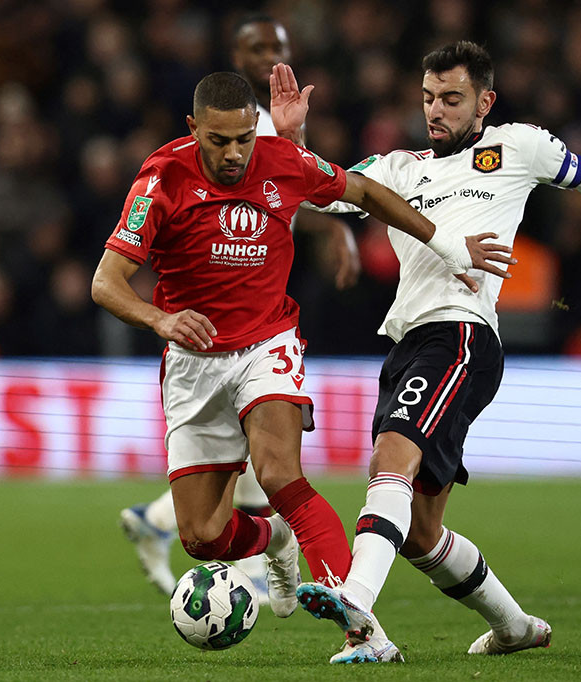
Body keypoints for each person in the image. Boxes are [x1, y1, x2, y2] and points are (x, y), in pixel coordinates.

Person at [269, 41, 581, 662]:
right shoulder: (396, 168)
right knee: (420, 533)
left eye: (452, 99)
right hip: (409, 341)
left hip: (462, 334)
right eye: (429, 98)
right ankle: (516, 627)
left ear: (484, 101)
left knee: (392, 457)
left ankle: (358, 601)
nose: (436, 110)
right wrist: (290, 141)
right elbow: (314, 193)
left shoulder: (518, 147)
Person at [91, 71, 509, 659]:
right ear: (194, 130)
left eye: (244, 138)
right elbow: (105, 284)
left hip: (268, 344)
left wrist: (445, 243)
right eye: (219, 141)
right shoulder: (160, 180)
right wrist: (160, 320)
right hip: (191, 360)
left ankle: (363, 630)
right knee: (201, 538)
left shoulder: (282, 161)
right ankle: (274, 537)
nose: (235, 153)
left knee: (280, 475)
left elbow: (362, 192)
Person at [117, 14, 360, 599]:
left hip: (267, 313)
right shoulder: (214, 130)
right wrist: (160, 314)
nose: (270, 54)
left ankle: (318, 586)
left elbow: (303, 182)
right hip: (204, 318)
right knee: (215, 507)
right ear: (235, 54)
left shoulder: (277, 124)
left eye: (278, 45)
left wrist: (338, 230)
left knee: (271, 463)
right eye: (257, 46)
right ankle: (234, 537)